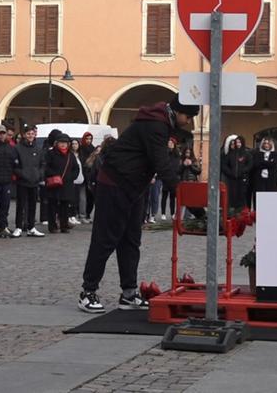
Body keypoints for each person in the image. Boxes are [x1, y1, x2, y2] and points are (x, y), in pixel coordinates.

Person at [79, 97, 198, 314]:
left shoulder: (162, 124)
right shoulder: (156, 125)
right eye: (188, 117)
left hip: (134, 187)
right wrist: (189, 200)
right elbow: (161, 165)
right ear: (178, 112)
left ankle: (128, 294)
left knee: (131, 241)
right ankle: (88, 292)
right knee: (105, 239)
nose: (189, 122)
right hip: (115, 183)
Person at [13, 123, 46, 237]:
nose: (31, 136)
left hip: (34, 181)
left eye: (32, 133)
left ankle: (31, 227)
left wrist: (39, 175)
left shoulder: (38, 148)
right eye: (28, 134)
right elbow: (15, 166)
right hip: (22, 181)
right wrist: (23, 174)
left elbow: (42, 164)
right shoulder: (17, 148)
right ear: (23, 135)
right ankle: (18, 227)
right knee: (20, 205)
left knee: (33, 205)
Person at [44, 134, 80, 233]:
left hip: (67, 184)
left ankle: (64, 225)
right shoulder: (50, 154)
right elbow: (46, 167)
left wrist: (71, 177)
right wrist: (54, 175)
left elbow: (76, 169)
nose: (63, 145)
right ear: (57, 143)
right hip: (54, 184)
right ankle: (53, 226)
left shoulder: (70, 155)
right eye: (61, 143)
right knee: (52, 206)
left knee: (65, 206)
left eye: (65, 143)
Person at [222, 135, 253, 210]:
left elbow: (250, 164)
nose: (238, 144)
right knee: (232, 197)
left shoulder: (246, 154)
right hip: (232, 180)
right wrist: (230, 173)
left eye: (239, 142)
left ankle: (242, 214)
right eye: (236, 142)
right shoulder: (230, 154)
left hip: (243, 179)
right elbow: (224, 165)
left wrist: (243, 171)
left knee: (242, 197)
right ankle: (232, 213)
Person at [251, 137, 277, 208]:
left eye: (268, 143)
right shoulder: (257, 154)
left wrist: (263, 163)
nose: (266, 145)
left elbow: (274, 164)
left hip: (271, 180)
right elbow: (256, 164)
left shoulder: (275, 154)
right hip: (259, 180)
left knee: (270, 198)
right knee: (259, 198)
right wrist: (268, 163)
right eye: (265, 143)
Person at [160, 138, 180, 220]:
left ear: (174, 145)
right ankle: (163, 213)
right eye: (169, 143)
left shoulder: (176, 154)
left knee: (172, 197)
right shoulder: (165, 153)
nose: (170, 144)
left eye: (171, 143)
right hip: (166, 177)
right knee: (164, 196)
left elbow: (177, 165)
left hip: (173, 177)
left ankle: (172, 213)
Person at [79, 132, 97, 222]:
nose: (88, 140)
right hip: (82, 176)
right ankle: (82, 214)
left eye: (90, 138)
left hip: (90, 177)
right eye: (87, 138)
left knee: (90, 198)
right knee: (82, 197)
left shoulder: (93, 149)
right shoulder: (81, 149)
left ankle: (88, 214)